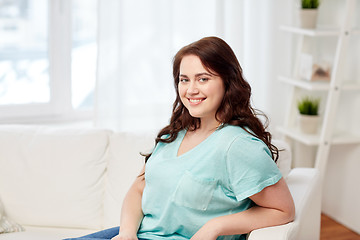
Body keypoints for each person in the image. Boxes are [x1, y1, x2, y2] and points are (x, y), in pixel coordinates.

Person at [67, 36, 295, 240]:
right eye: (184, 79)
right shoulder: (174, 132)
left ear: (227, 81)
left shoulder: (238, 145)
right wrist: (126, 233)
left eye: (203, 79)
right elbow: (138, 189)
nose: (190, 89)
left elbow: (283, 209)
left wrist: (214, 227)